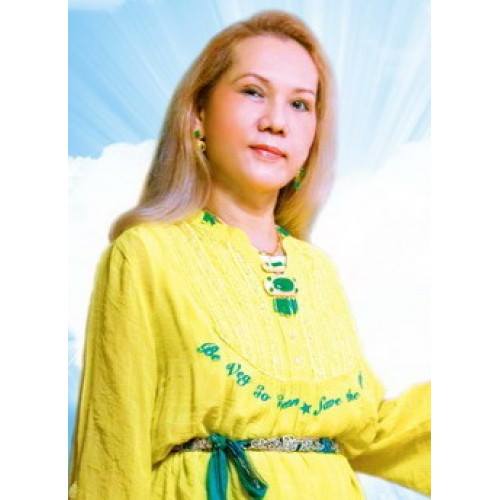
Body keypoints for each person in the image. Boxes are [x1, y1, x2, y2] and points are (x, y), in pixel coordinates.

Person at [68, 10, 430, 500]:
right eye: (253, 92)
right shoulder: (145, 255)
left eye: (300, 104)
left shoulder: (317, 271)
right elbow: (112, 448)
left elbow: (368, 427)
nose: (276, 122)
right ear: (198, 114)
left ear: (314, 135)